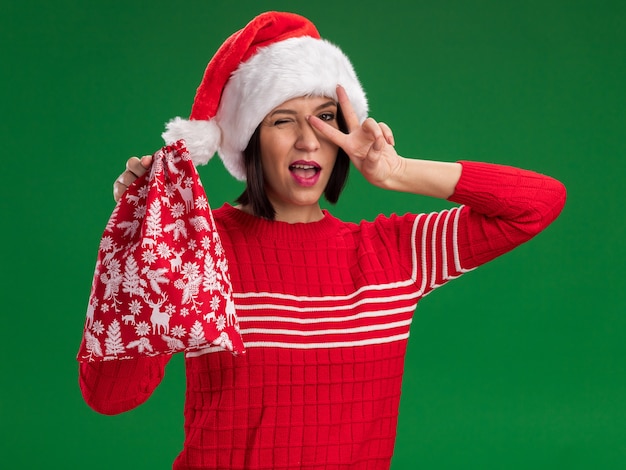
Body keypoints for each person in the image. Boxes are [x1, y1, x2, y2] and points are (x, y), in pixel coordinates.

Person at [79, 11, 566, 470]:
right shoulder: (202, 250)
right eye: (282, 119)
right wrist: (142, 251)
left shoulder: (393, 255)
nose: (308, 140)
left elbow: (538, 204)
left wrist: (397, 172)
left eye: (325, 117)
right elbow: (111, 396)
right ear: (250, 141)